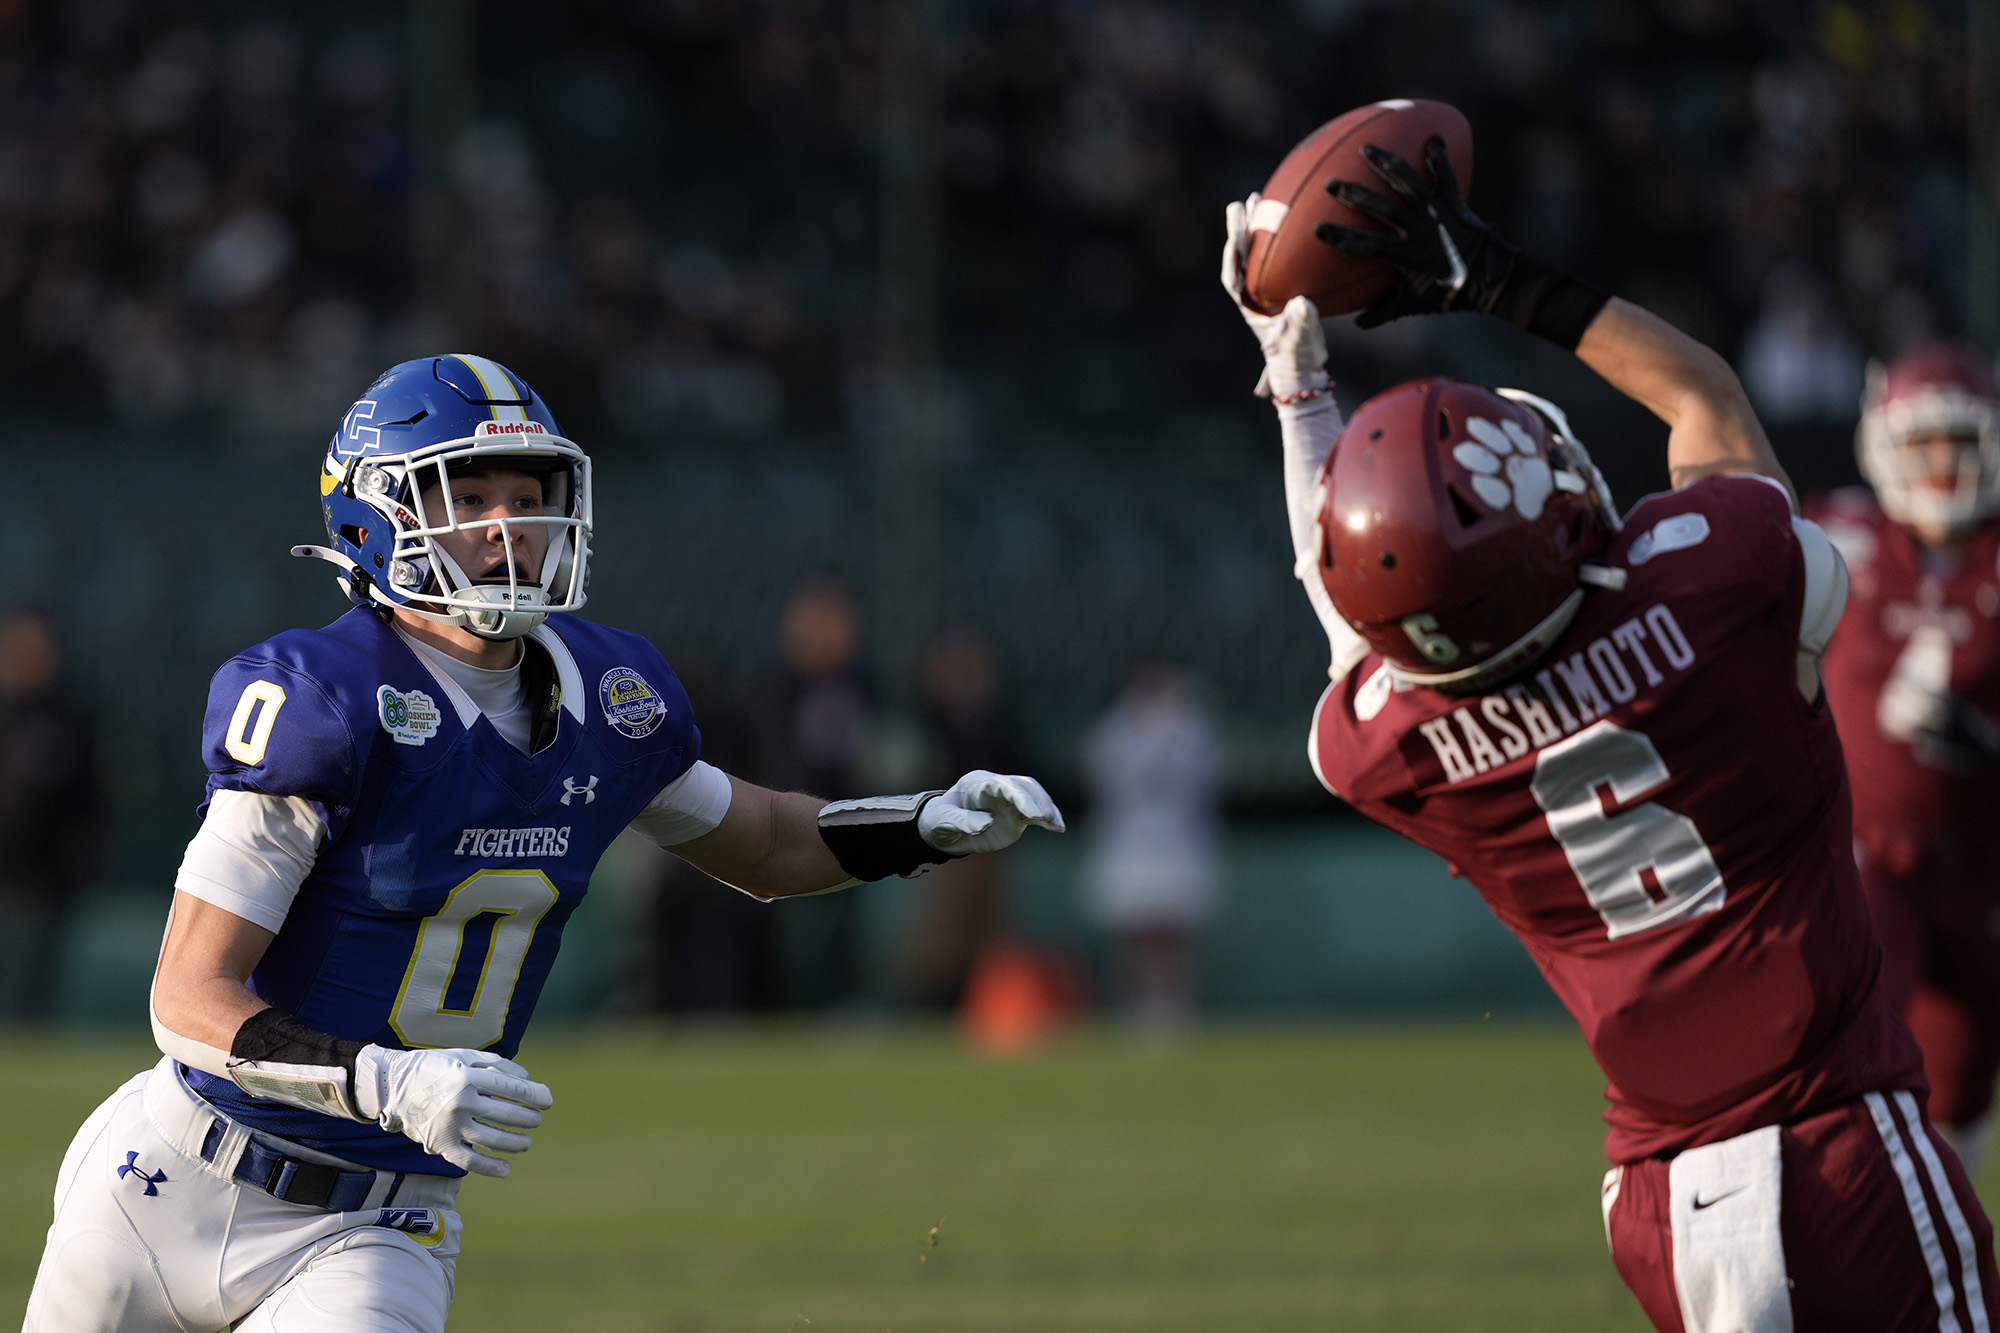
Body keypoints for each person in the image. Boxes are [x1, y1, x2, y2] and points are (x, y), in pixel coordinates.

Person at [21, 353, 1065, 1333]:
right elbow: (188, 997)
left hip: (373, 1225)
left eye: (525, 496)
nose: (505, 526)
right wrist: (387, 1080)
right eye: (467, 498)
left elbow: (768, 843)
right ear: (377, 513)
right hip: (168, 1182)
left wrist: (919, 824)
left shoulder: (611, 698)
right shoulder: (322, 700)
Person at [1224, 136, 1996, 1329]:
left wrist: (1297, 396)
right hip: (1838, 1142)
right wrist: (1493, 276)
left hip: (1657, 1206)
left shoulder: (1391, 749)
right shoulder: (1717, 592)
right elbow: (1701, 400)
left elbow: (1354, 617)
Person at [1812, 342, 2000, 1178]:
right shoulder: (1840, 538)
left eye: (1954, 445)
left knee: (1959, 1089)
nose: (1938, 465)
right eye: (1921, 444)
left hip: (1983, 867)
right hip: (1866, 851)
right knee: (1864, 1047)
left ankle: (1939, 1250)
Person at [1079, 664, 1223, 1036]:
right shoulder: (1114, 731)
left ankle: (1177, 1008)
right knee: (1133, 932)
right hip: (1129, 840)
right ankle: (1135, 1007)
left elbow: (1207, 784)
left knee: (1176, 932)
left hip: (1178, 841)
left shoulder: (1192, 728)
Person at [0, 609, 98, 1022]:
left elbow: (88, 793)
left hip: (44, 864)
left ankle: (27, 1029)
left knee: (36, 965)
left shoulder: (68, 715)